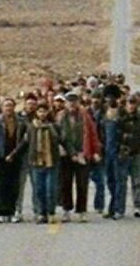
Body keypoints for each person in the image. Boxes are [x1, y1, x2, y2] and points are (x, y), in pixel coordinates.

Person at [58, 91, 101, 223]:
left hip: (83, 153)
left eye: (74, 101)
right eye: (69, 101)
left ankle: (82, 211)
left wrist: (95, 151)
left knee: (82, 184)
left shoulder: (85, 116)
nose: (72, 104)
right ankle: (66, 210)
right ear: (66, 103)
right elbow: (58, 135)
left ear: (78, 102)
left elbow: (93, 134)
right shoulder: (60, 116)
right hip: (66, 155)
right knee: (65, 183)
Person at [0, 97, 26, 222]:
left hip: (16, 157)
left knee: (14, 185)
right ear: (2, 107)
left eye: (10, 105)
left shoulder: (20, 121)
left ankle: (12, 211)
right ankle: (1, 212)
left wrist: (17, 154)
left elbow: (24, 140)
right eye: (6, 106)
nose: (8, 108)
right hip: (1, 156)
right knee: (0, 185)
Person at [117, 94, 140, 217]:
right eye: (129, 103)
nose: (131, 106)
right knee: (122, 181)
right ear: (126, 105)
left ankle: (137, 206)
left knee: (137, 181)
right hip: (123, 153)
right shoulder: (120, 119)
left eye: (133, 103)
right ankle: (120, 208)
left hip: (137, 153)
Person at [26, 100, 61, 223]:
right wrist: (12, 154)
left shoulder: (53, 126)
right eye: (40, 111)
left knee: (50, 189)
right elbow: (25, 142)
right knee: (39, 189)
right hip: (36, 162)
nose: (42, 114)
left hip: (51, 162)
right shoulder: (32, 127)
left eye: (44, 111)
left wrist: (73, 153)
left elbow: (62, 140)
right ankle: (41, 213)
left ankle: (51, 212)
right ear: (36, 113)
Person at [15, 93, 38, 222]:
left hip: (35, 156)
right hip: (22, 156)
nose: (31, 106)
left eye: (33, 104)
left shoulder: (39, 118)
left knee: (36, 185)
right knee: (20, 185)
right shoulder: (19, 119)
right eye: (29, 104)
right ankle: (18, 210)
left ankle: (37, 210)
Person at [88, 89, 106, 214]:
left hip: (101, 151)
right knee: (83, 182)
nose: (96, 100)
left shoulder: (105, 114)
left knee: (100, 181)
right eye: (94, 98)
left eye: (98, 98)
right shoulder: (85, 113)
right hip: (87, 151)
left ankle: (99, 205)